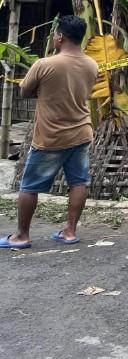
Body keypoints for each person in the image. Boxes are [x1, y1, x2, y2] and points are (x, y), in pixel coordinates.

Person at [1, 16, 99, 249]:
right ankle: (70, 232)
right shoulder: (91, 64)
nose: (54, 37)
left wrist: (40, 91)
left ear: (60, 36)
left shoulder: (45, 64)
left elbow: (24, 91)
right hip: (81, 132)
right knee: (78, 183)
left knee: (29, 186)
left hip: (51, 136)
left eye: (55, 33)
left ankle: (22, 236)